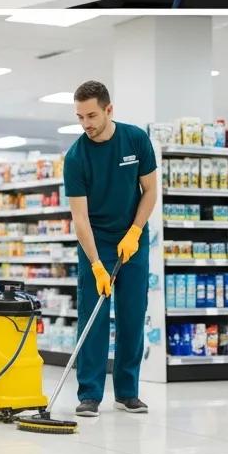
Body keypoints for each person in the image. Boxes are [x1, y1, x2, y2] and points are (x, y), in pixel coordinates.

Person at [64, 80, 157, 416]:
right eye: (80, 117)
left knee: (132, 314)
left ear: (108, 109)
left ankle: (128, 391)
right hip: (96, 240)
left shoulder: (135, 140)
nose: (86, 123)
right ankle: (90, 393)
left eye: (91, 115)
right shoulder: (76, 157)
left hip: (132, 237)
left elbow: (150, 191)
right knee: (94, 315)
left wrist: (135, 231)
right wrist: (96, 264)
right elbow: (80, 218)